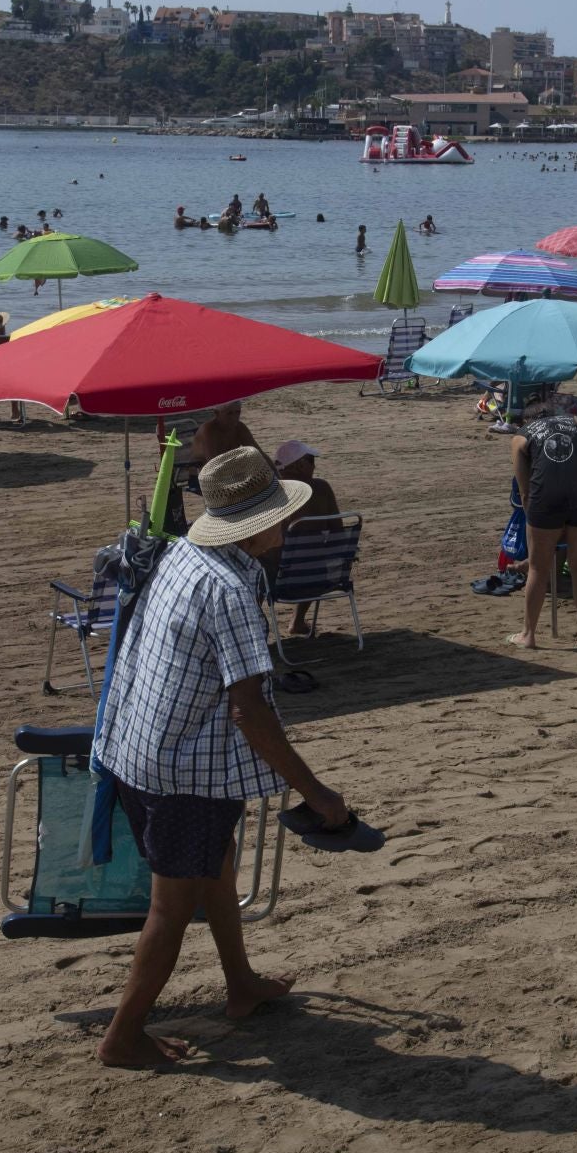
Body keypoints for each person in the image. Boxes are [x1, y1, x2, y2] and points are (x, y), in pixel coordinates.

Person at [90, 446, 351, 1068]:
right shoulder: (230, 588)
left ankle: (241, 985)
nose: (287, 529)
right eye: (283, 519)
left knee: (218, 864)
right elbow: (250, 712)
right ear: (258, 523)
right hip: (183, 769)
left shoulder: (182, 554)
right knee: (170, 907)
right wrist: (315, 794)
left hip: (136, 745)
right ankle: (123, 1037)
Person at [508, 393, 577, 650]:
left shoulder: (520, 436)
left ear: (524, 421)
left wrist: (534, 522)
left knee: (538, 568)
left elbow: (524, 489)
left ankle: (528, 635)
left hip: (546, 498)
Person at [268, 440, 342, 637]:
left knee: (259, 563)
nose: (314, 465)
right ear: (300, 466)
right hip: (318, 577)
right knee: (312, 555)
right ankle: (298, 621)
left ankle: (257, 627)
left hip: (283, 581)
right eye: (311, 460)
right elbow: (338, 532)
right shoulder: (322, 489)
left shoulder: (275, 493)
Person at [187, 401, 259, 465]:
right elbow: (213, 463)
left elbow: (259, 454)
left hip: (228, 472)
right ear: (217, 413)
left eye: (238, 412)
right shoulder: (208, 430)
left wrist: (270, 473)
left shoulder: (240, 427)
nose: (234, 418)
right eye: (229, 413)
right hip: (202, 475)